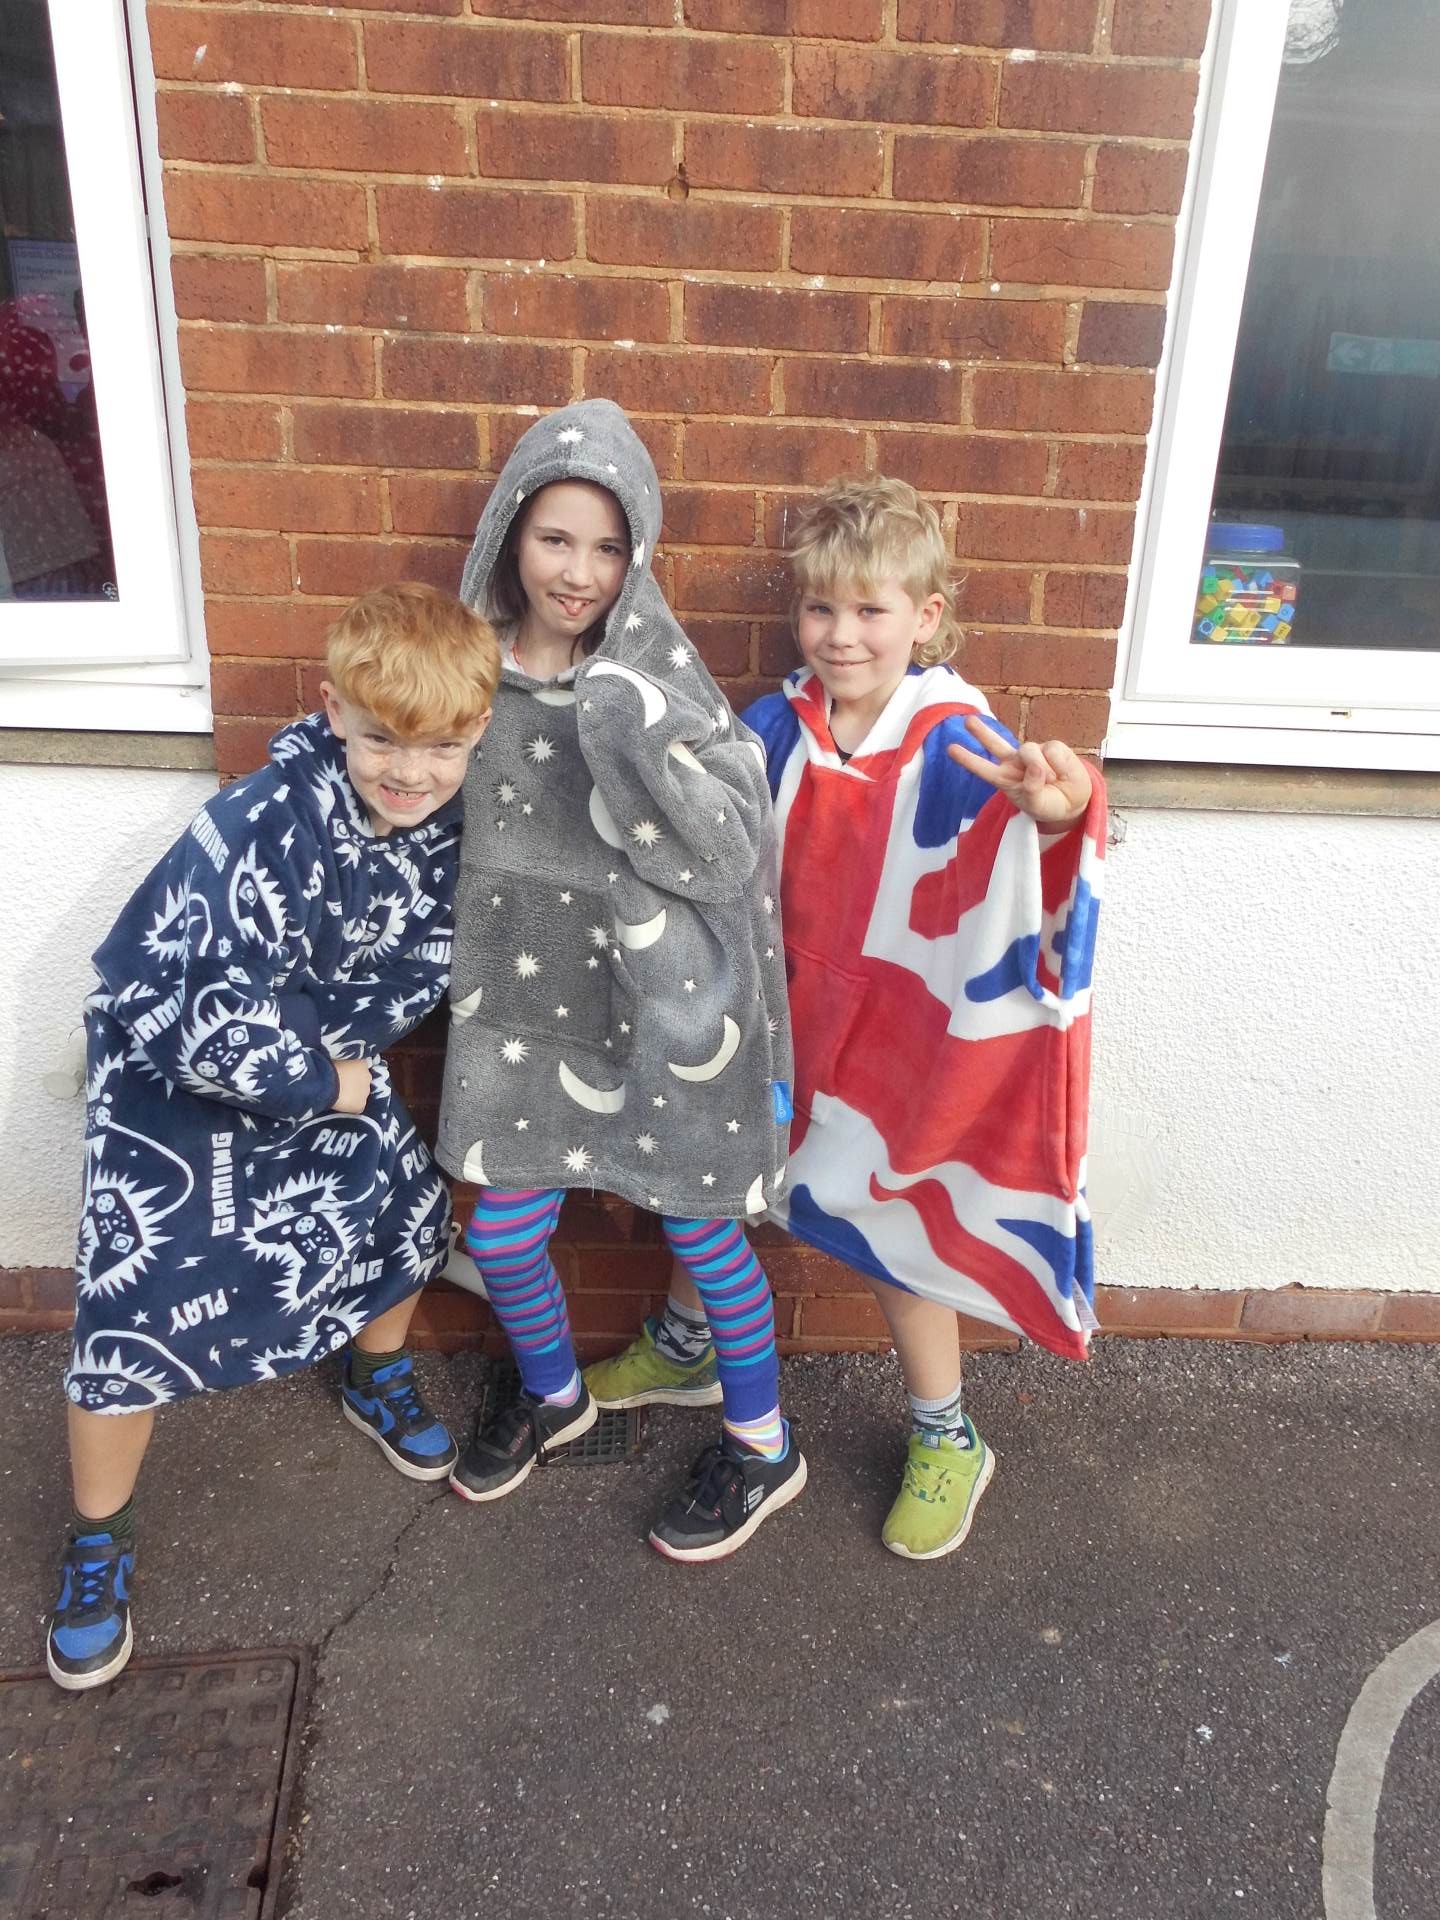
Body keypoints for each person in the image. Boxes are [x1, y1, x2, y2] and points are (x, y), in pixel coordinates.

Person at [586, 477, 1106, 1562]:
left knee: (891, 1231)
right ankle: (687, 1343)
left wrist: (1057, 816)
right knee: (713, 1177)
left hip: (895, 1046)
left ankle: (947, 1432)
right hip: (776, 1021)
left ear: (926, 616)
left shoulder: (956, 737)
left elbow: (1025, 857)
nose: (842, 634)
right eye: (821, 607)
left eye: (871, 610)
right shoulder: (774, 724)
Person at [45, 583, 500, 1690]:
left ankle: (372, 1375)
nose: (410, 770)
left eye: (440, 746)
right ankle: (99, 1539)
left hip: (321, 1070)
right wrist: (328, 1084)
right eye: (383, 737)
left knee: (403, 1208)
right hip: (181, 1081)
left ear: (477, 732)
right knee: (135, 1310)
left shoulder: (455, 819)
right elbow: (191, 1010)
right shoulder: (266, 823)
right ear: (334, 710)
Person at [438, 397, 804, 1562]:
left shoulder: (651, 672)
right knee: (503, 1236)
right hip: (520, 1005)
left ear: (635, 554)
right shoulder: (465, 671)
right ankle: (554, 1396)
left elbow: (731, 841)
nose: (579, 572)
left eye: (607, 546)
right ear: (511, 531)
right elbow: (402, 780)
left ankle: (763, 1444)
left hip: (660, 1003)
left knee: (702, 1233)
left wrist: (627, 731)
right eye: (555, 538)